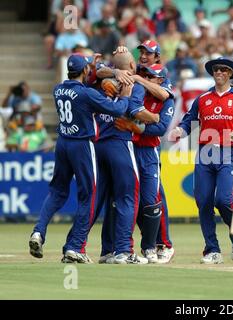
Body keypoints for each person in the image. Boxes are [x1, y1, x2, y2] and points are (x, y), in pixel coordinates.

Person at [29, 53, 132, 262]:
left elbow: (87, 79)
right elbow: (117, 109)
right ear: (85, 71)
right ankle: (75, 247)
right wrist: (126, 95)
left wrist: (92, 66)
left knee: (57, 192)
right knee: (89, 196)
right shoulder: (86, 94)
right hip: (82, 145)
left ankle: (38, 231)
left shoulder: (58, 89)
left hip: (62, 143)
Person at [168, 57, 233, 264]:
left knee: (223, 200)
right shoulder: (203, 99)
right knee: (203, 202)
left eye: (224, 70)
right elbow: (189, 121)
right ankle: (212, 250)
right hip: (204, 153)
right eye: (216, 69)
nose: (220, 73)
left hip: (228, 153)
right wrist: (181, 130)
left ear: (230, 74)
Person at [93, 51, 160, 265]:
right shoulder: (134, 84)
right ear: (132, 64)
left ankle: (103, 250)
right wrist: (154, 117)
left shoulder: (101, 81)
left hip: (99, 144)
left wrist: (110, 68)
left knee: (106, 200)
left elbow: (95, 70)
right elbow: (135, 109)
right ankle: (124, 250)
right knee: (129, 198)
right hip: (121, 144)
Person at [114, 64, 175, 263]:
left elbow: (160, 128)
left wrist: (135, 127)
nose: (147, 77)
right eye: (146, 74)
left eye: (152, 76)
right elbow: (130, 110)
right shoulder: (140, 92)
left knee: (150, 200)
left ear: (160, 80)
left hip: (149, 153)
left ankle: (150, 246)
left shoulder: (166, 99)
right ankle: (134, 246)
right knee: (132, 201)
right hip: (129, 149)